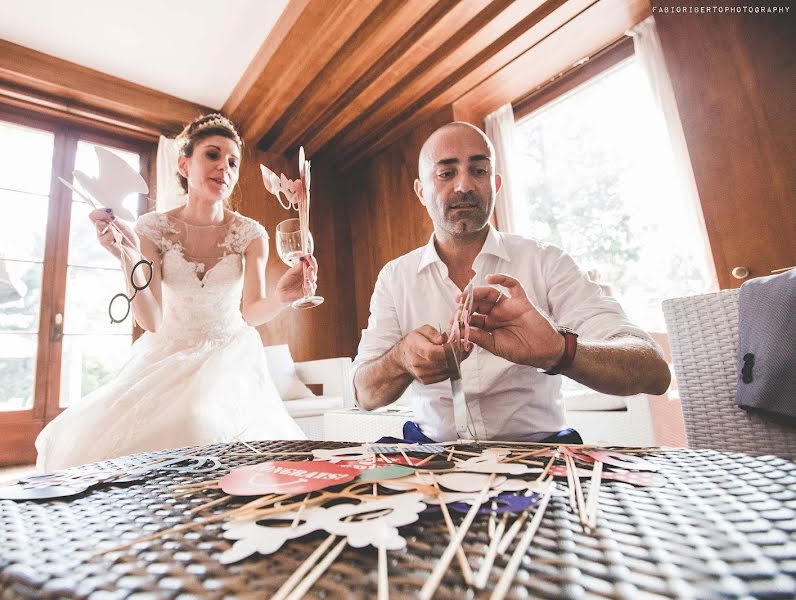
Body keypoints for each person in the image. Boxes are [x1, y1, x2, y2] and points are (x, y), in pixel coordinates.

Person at [352, 122, 670, 444]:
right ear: (421, 191)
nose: (464, 185)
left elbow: (654, 371)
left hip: (540, 461)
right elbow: (363, 394)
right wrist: (400, 359)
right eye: (446, 174)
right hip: (430, 462)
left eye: (479, 170)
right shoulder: (395, 278)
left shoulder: (547, 262)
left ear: (496, 184)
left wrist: (559, 351)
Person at [36, 114, 309, 471]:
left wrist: (282, 298)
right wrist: (126, 257)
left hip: (227, 352)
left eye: (232, 162)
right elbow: (151, 319)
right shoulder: (153, 228)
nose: (224, 168)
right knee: (109, 444)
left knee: (199, 421)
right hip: (168, 350)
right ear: (184, 163)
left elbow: (252, 310)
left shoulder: (251, 234)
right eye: (212, 155)